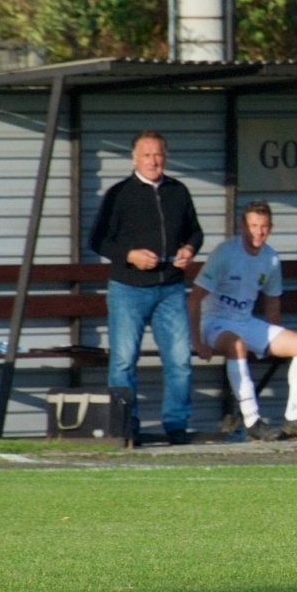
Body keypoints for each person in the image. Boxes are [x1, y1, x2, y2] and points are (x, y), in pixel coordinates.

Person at [89, 130, 203, 444]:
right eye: (147, 155)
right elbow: (97, 240)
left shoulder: (178, 191)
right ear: (134, 159)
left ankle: (176, 424)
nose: (153, 161)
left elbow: (195, 232)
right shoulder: (119, 194)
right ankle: (127, 425)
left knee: (179, 359)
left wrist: (189, 251)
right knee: (124, 360)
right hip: (129, 288)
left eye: (158, 154)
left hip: (170, 287)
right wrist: (130, 256)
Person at [189, 201, 297, 442]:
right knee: (237, 345)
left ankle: (293, 420)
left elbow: (272, 301)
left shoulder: (270, 258)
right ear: (242, 226)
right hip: (214, 322)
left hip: (245, 321)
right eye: (253, 226)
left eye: (264, 227)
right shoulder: (225, 253)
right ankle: (252, 421)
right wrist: (197, 341)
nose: (258, 232)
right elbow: (194, 298)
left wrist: (273, 337)